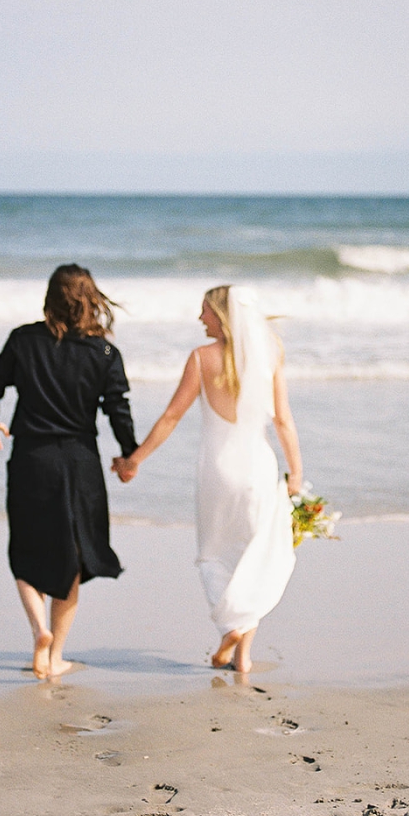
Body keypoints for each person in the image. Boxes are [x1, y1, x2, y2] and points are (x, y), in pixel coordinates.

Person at [113, 283, 299, 674]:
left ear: (222, 315)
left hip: (218, 472)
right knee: (252, 556)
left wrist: (135, 460)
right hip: (259, 469)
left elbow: (170, 418)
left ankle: (232, 635)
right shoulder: (270, 353)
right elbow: (283, 419)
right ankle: (242, 653)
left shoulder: (201, 358)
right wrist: (296, 471)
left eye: (205, 312)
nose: (200, 319)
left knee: (215, 553)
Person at [0, 264, 138, 681]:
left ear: (49, 297)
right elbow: (118, 408)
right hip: (80, 461)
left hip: (32, 458)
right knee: (74, 557)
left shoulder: (24, 339)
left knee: (25, 551)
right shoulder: (103, 352)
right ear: (91, 299)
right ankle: (56, 657)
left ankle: (39, 630)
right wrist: (128, 456)